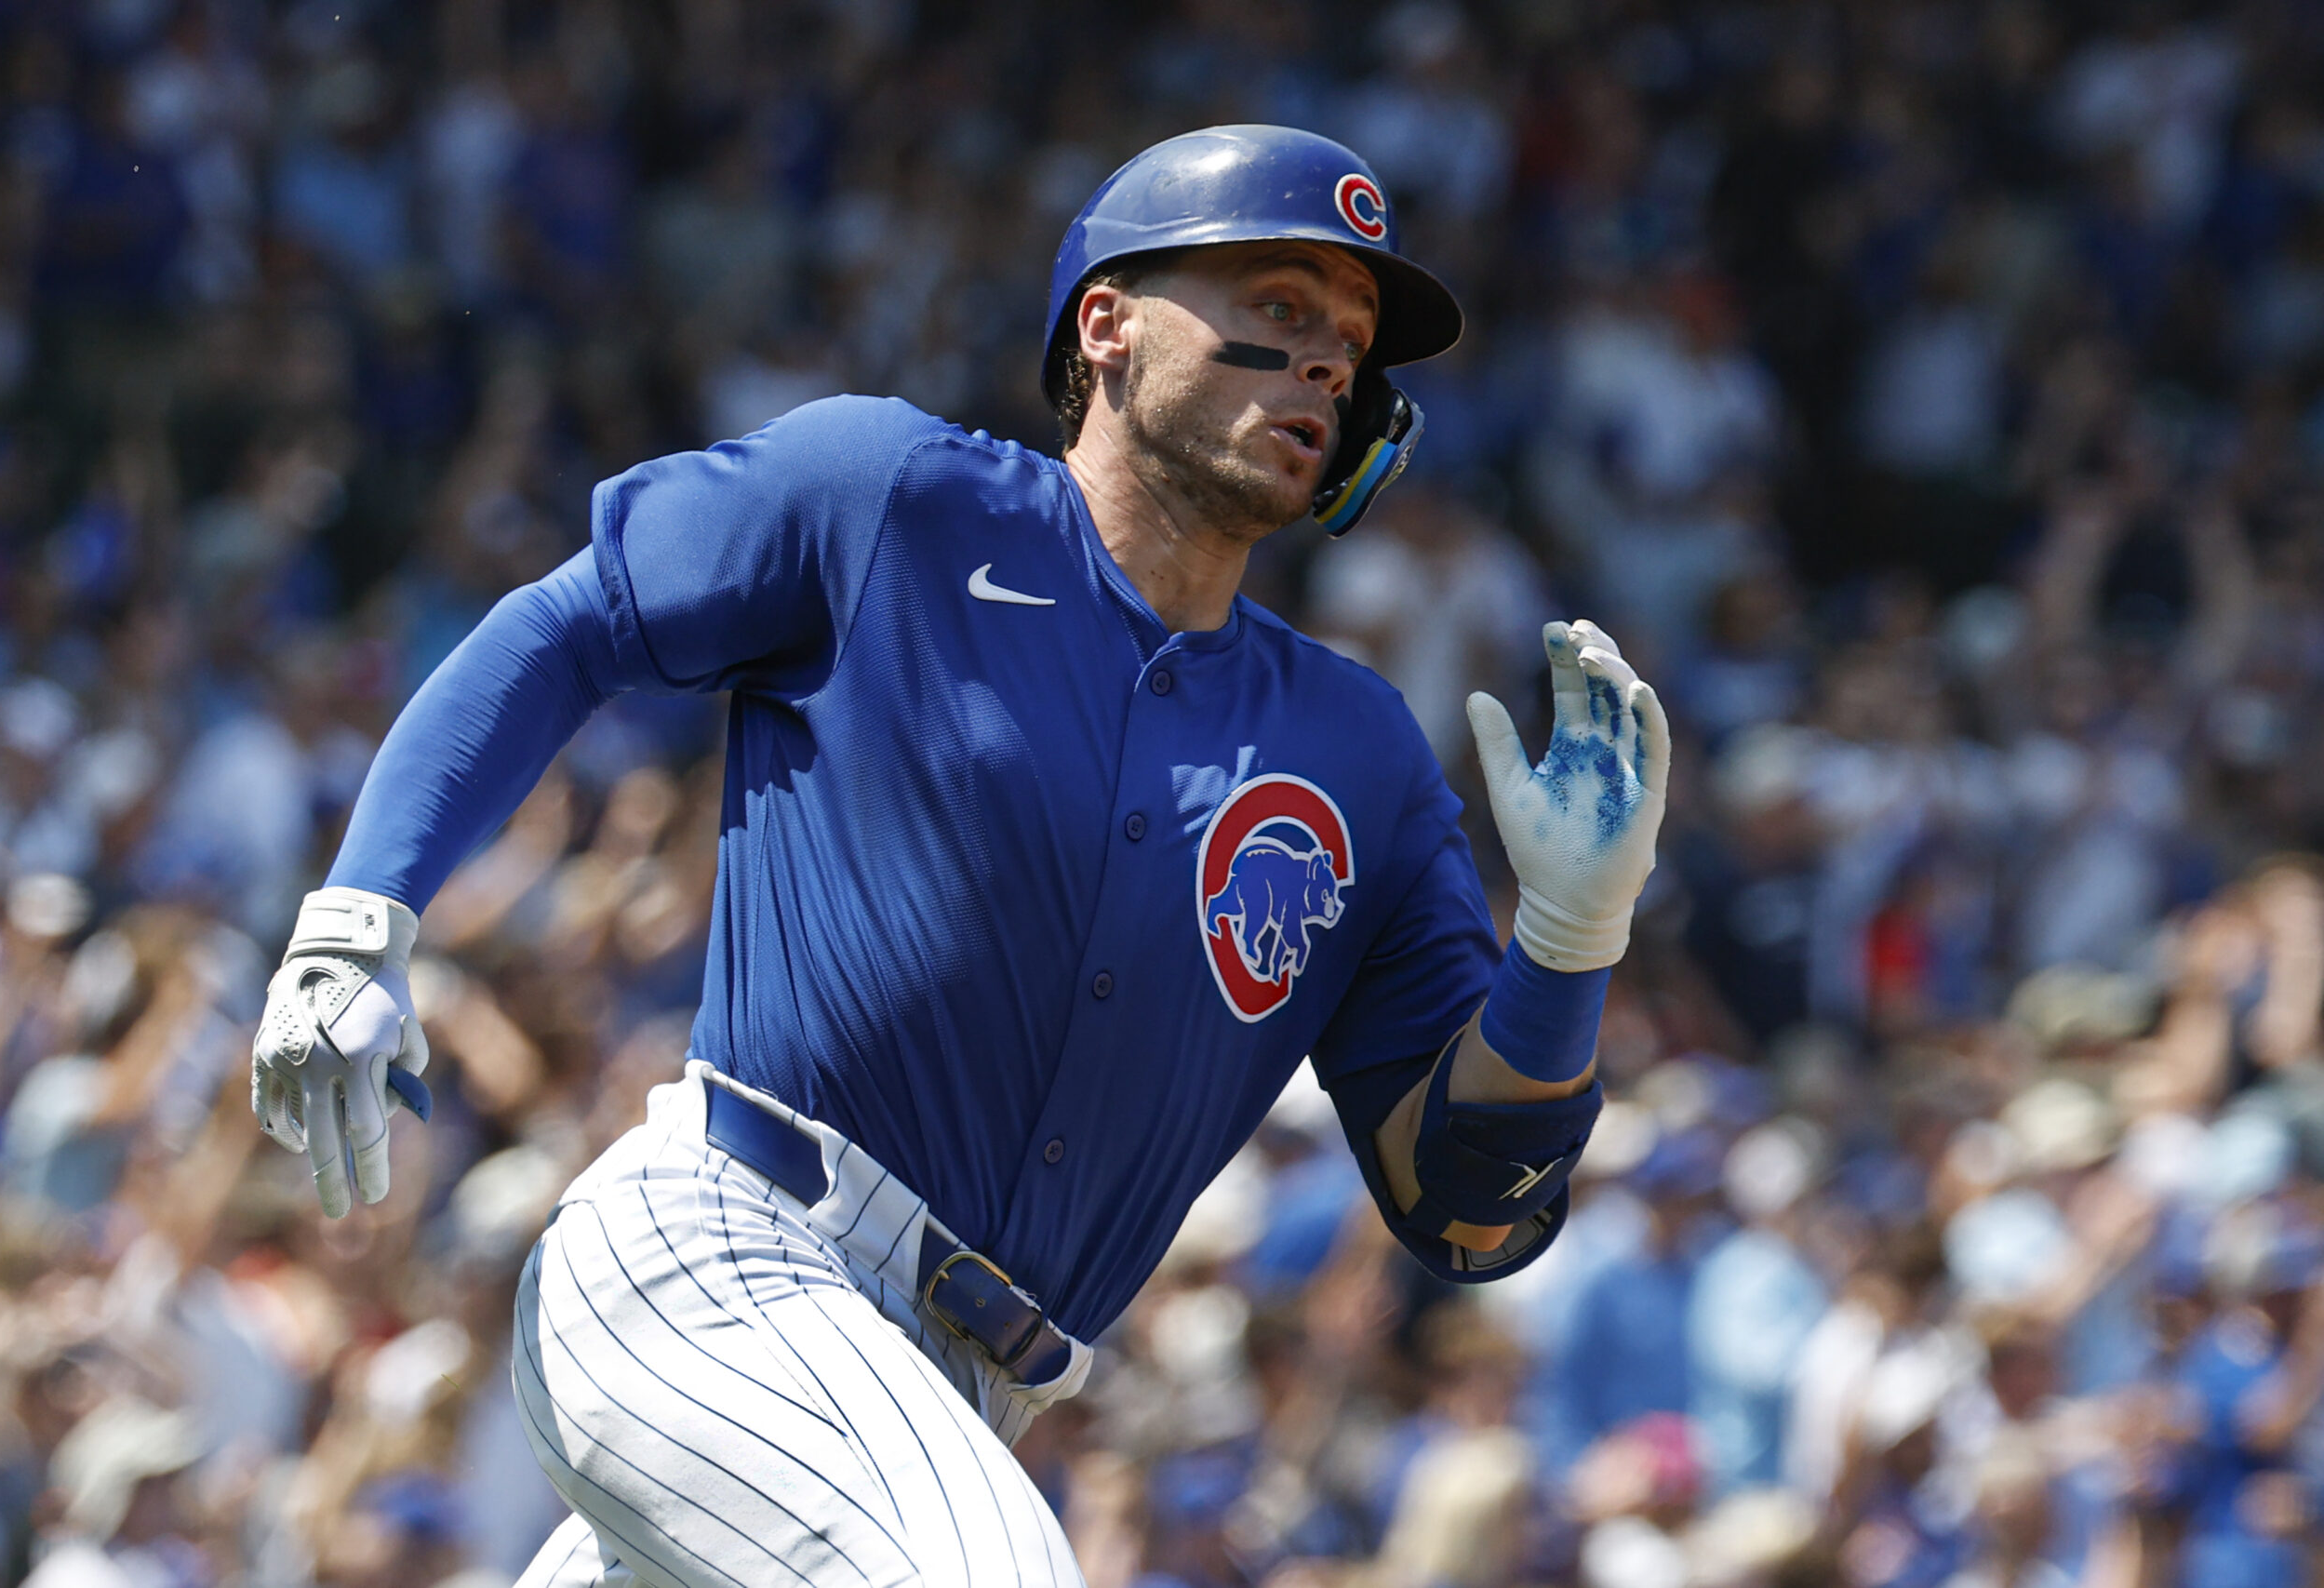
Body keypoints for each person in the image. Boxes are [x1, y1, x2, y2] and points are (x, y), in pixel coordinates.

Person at [246, 126, 1671, 1587]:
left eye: (1352, 346)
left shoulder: (1361, 753)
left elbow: (1465, 1211)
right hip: (725, 1256)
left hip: (948, 1405)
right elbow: (568, 625)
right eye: (1281, 310)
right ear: (1108, 325)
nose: (1324, 366)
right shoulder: (893, 500)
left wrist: (1567, 943)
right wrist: (363, 913)